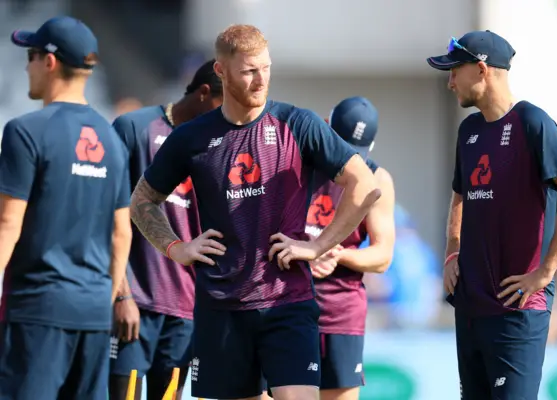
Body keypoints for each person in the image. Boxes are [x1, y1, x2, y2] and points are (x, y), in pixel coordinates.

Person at [129, 24, 380, 400]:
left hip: (288, 301)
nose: (261, 79)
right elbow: (142, 201)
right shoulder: (192, 137)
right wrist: (175, 247)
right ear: (221, 71)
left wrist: (317, 246)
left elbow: (365, 184)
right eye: (248, 70)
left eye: (266, 67)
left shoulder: (298, 123)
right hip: (222, 308)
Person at [427, 30, 557, 399]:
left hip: (518, 307)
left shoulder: (532, 122)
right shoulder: (468, 130)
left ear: (483, 70)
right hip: (471, 306)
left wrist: (546, 271)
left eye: (456, 70)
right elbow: (460, 196)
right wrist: (452, 252)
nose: (450, 82)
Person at [0, 16, 131, 400]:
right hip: (92, 311)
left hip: (37, 309)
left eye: (31, 55)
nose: (27, 66)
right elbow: (121, 232)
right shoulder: (111, 136)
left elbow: (8, 222)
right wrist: (100, 299)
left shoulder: (25, 131)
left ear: (50, 62)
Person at [108, 60, 224, 400]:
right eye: (224, 103)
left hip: (185, 314)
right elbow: (106, 218)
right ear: (204, 94)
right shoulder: (135, 127)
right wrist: (122, 294)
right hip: (134, 305)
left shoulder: (221, 145)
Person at [304, 96, 395, 400]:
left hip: (340, 313)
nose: (345, 161)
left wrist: (339, 254)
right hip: (288, 308)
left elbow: (382, 256)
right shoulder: (297, 163)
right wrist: (305, 253)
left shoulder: (377, 178)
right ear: (325, 129)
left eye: (354, 154)